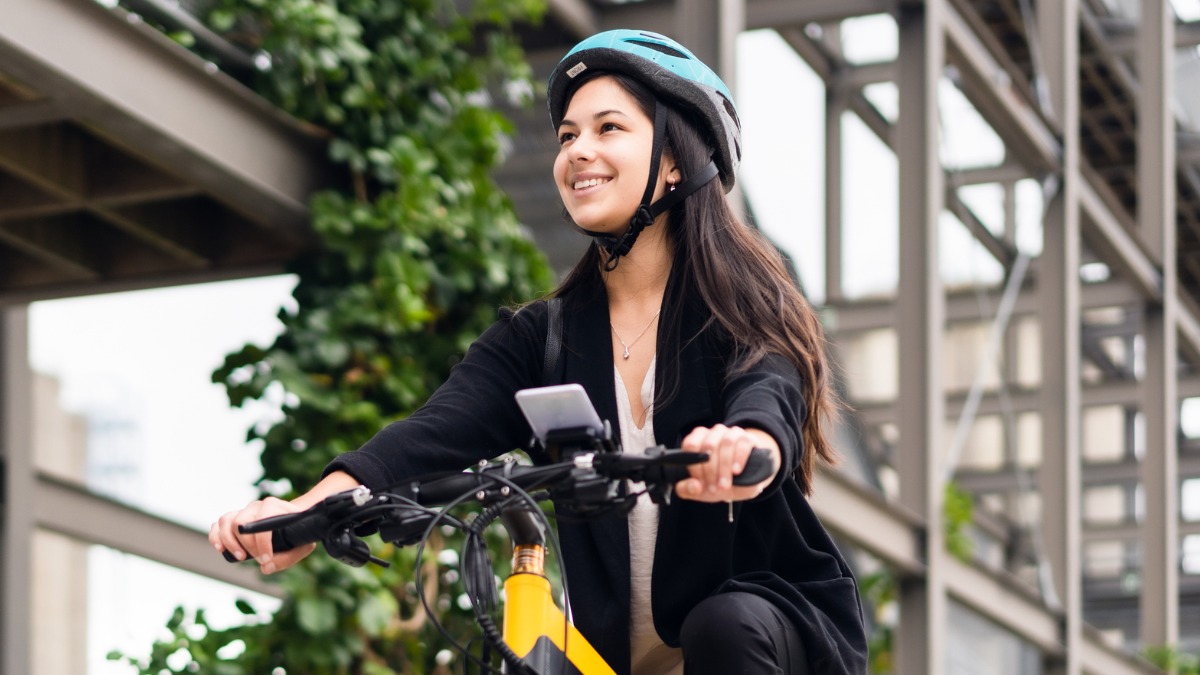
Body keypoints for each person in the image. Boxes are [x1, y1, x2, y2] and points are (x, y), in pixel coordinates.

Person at [212, 29, 868, 675]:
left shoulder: (739, 310)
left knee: (721, 624)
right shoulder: (543, 339)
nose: (579, 150)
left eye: (609, 128)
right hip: (612, 654)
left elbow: (768, 393)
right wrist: (311, 506)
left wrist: (746, 445)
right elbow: (429, 434)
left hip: (765, 636)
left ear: (673, 160)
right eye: (568, 135)